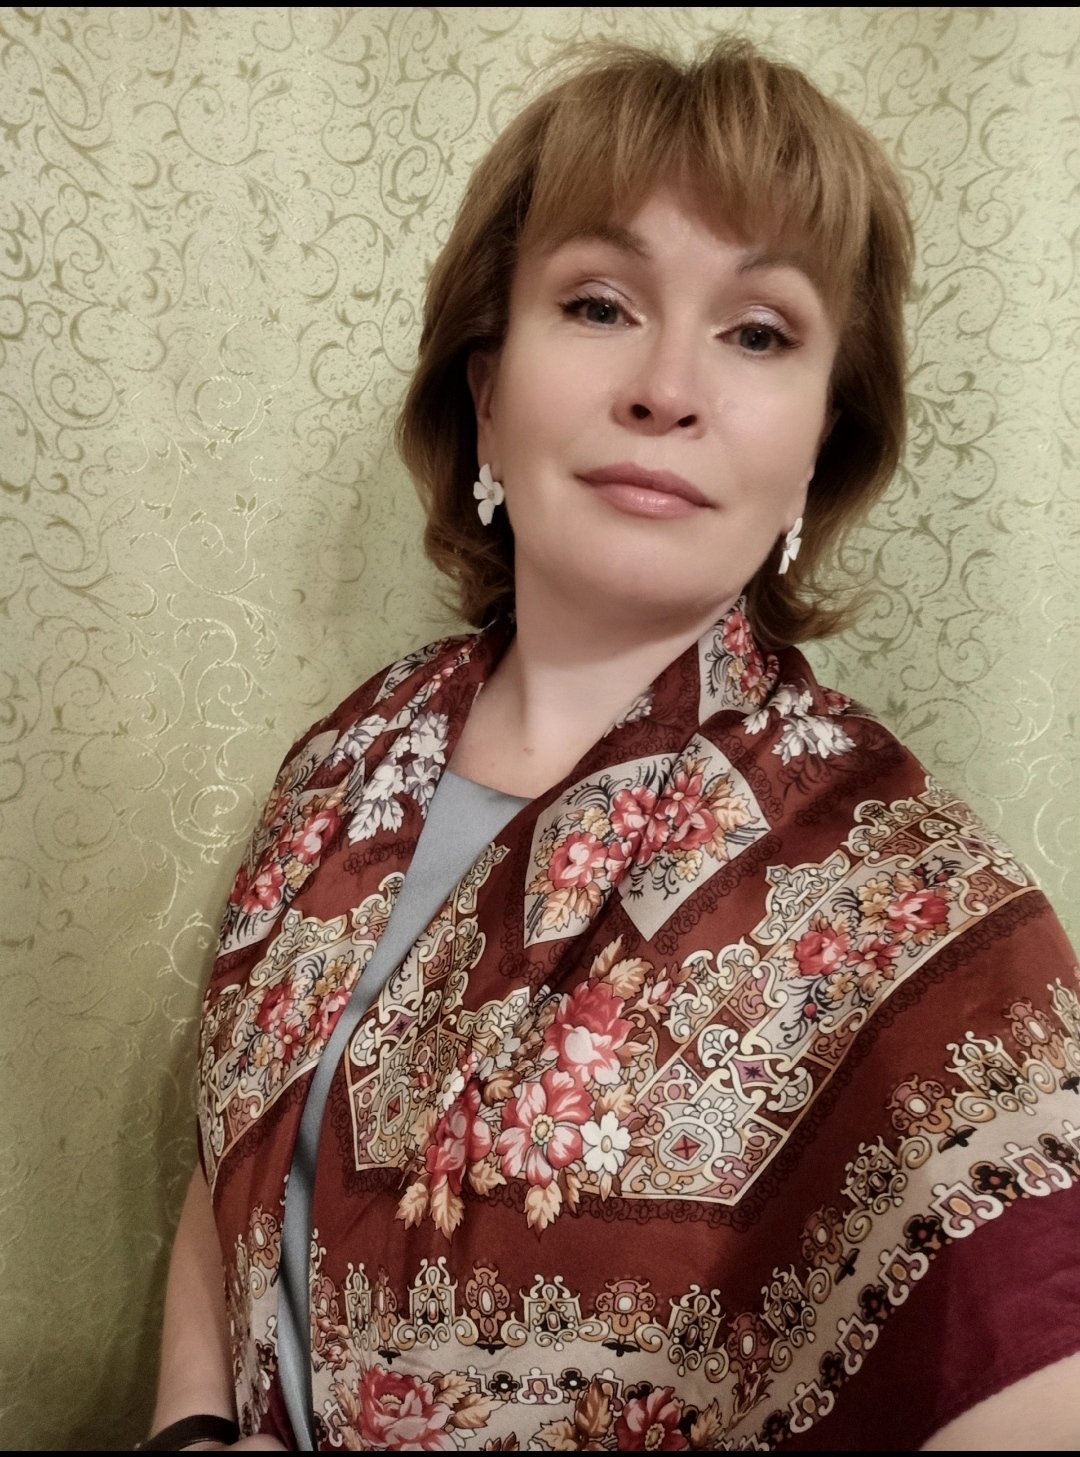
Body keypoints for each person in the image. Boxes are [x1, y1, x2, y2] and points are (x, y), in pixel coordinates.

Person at [144, 37, 1080, 1454]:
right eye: (598, 304)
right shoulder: (346, 766)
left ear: (821, 444)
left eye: (757, 332)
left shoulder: (915, 916)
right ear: (487, 393)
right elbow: (234, 1165)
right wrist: (188, 1433)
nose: (667, 385)